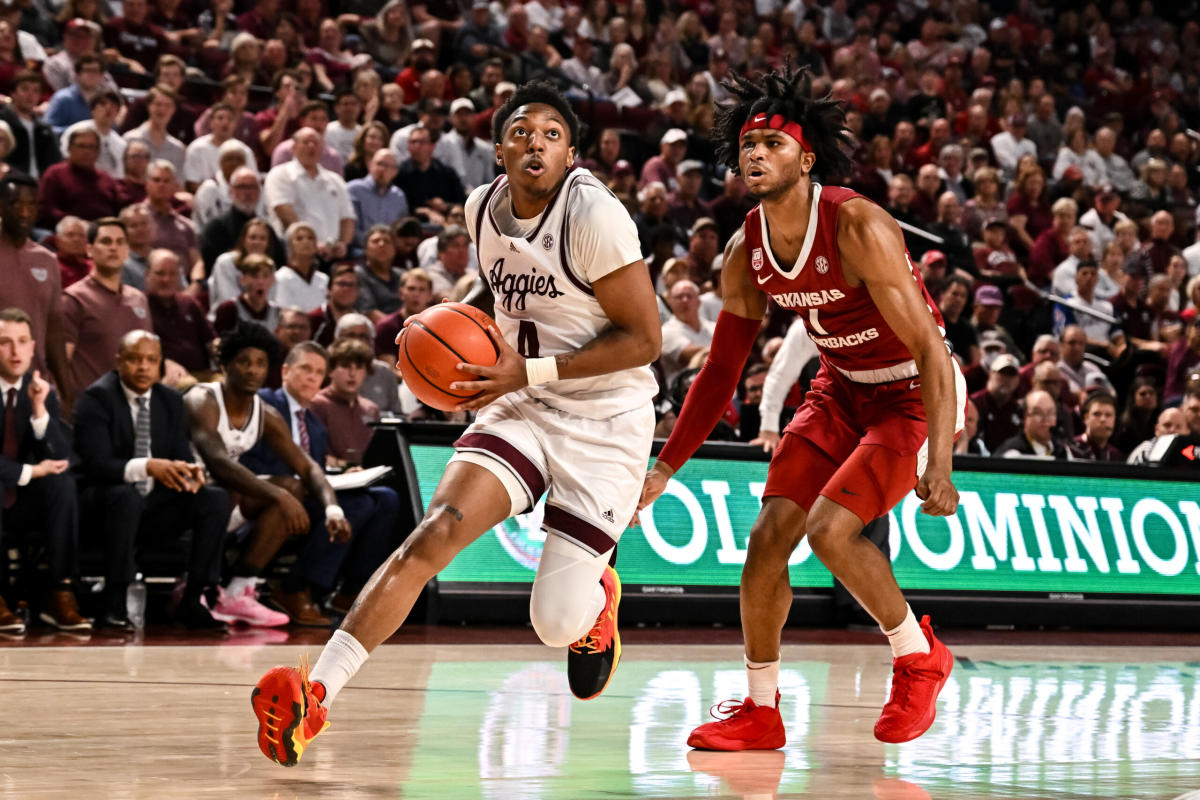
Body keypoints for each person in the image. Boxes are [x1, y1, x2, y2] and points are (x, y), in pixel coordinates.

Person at [252, 80, 662, 766]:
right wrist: (445, 323)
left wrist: (521, 373)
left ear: (571, 155)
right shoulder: (482, 208)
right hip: (522, 404)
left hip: (605, 418)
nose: (537, 142)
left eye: (553, 135)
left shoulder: (595, 216)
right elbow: (502, 289)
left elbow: (644, 339)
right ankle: (315, 695)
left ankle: (597, 600)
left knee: (553, 622)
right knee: (432, 534)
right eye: (523, 132)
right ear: (499, 148)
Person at [636, 66, 965, 751]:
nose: (755, 153)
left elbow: (933, 351)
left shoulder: (857, 223)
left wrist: (943, 458)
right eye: (747, 144)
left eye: (773, 144)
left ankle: (918, 656)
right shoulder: (744, 250)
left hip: (912, 391)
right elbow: (723, 370)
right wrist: (665, 467)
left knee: (831, 531)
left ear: (806, 157)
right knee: (764, 547)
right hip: (840, 386)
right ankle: (760, 710)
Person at [185, 323, 351, 627]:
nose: (252, 370)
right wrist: (279, 495)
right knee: (282, 492)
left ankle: (239, 590)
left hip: (226, 501)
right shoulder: (202, 399)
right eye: (244, 362)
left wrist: (332, 508)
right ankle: (201, 590)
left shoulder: (265, 414)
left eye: (260, 363)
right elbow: (218, 462)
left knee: (292, 486)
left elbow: (308, 467)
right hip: (188, 498)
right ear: (224, 365)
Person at [71, 330, 229, 630]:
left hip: (152, 506)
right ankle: (114, 603)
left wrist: (189, 475)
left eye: (151, 360)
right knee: (125, 496)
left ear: (160, 364)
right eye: (134, 359)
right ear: (118, 361)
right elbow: (96, 465)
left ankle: (193, 599)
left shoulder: (169, 399)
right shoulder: (97, 397)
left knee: (215, 498)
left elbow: (179, 454)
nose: (143, 367)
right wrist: (148, 467)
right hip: (101, 504)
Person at [240, 342, 400, 623]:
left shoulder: (314, 423)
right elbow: (247, 459)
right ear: (286, 371)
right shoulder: (263, 404)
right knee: (358, 505)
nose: (312, 377)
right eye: (305, 369)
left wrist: (342, 476)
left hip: (306, 494)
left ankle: (352, 589)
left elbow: (312, 469)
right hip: (266, 495)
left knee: (386, 497)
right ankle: (297, 588)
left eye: (318, 372)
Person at [0, 307, 87, 633]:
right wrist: (30, 472)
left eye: (22, 342)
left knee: (62, 485)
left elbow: (61, 458)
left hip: (22, 504)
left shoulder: (40, 392)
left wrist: (39, 413)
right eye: (5, 342)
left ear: (33, 348)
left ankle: (59, 590)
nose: (15, 351)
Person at [0, 173, 74, 403]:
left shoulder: (47, 260)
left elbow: (54, 330)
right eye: (15, 204)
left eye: (31, 205)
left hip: (35, 386)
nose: (24, 212)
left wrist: (67, 391)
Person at [62, 217, 153, 396]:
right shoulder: (74, 299)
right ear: (89, 250)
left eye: (120, 242)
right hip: (92, 408)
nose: (113, 247)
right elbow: (61, 364)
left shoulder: (139, 299)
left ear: (127, 250)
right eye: (106, 241)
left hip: (136, 407)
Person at [997, 389, 1074, 460]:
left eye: (1050, 413)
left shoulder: (1063, 451)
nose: (1045, 419)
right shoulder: (1013, 454)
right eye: (1037, 413)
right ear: (1024, 417)